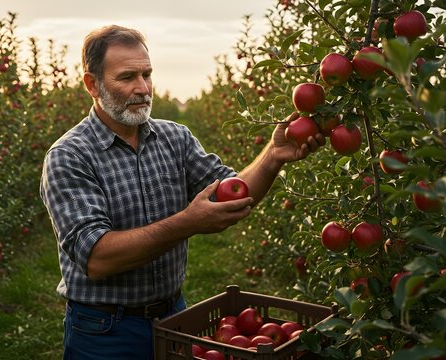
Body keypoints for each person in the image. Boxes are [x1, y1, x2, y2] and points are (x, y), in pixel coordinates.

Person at [39, 24, 324, 360]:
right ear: (92, 84)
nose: (143, 88)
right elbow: (98, 258)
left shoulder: (175, 138)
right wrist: (189, 222)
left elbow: (231, 195)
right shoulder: (69, 156)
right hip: (105, 329)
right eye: (127, 77)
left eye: (147, 74)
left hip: (175, 316)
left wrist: (273, 157)